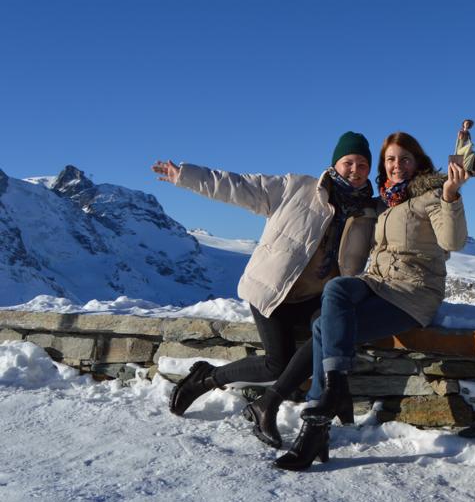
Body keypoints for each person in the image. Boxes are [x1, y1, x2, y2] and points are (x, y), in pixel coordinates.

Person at [150, 131, 380, 449]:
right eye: (348, 162)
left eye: (363, 164)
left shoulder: (369, 214)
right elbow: (239, 186)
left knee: (329, 334)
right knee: (277, 363)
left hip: (315, 297)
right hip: (272, 290)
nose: (355, 169)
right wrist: (186, 175)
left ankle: (292, 404)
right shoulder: (297, 188)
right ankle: (206, 378)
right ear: (334, 165)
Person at [274, 131, 469, 470]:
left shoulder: (433, 197)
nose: (397, 165)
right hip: (378, 284)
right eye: (391, 159)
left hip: (413, 293)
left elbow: (453, 241)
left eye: (404, 159)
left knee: (323, 327)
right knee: (336, 292)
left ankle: (314, 430)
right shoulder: (385, 202)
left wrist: (451, 195)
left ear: (417, 163)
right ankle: (333, 393)